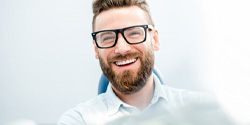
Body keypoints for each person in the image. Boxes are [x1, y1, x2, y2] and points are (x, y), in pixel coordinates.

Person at [58, 0, 234, 125]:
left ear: (155, 40)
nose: (122, 48)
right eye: (107, 37)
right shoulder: (78, 120)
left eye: (134, 33)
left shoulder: (204, 112)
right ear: (96, 50)